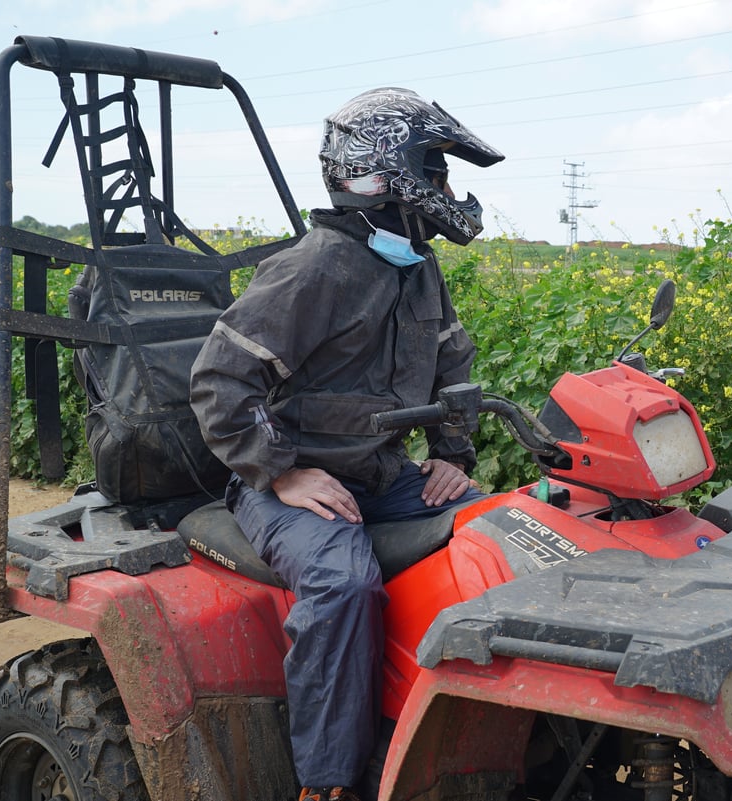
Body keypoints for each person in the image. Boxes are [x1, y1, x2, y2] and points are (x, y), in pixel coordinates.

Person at [190, 87, 504, 801]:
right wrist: (282, 472)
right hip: (288, 486)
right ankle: (327, 784)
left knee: (507, 533)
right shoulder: (315, 268)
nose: (447, 190)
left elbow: (452, 363)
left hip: (381, 474)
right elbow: (219, 379)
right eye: (436, 170)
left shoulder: (417, 267)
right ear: (383, 173)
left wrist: (453, 458)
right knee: (343, 582)